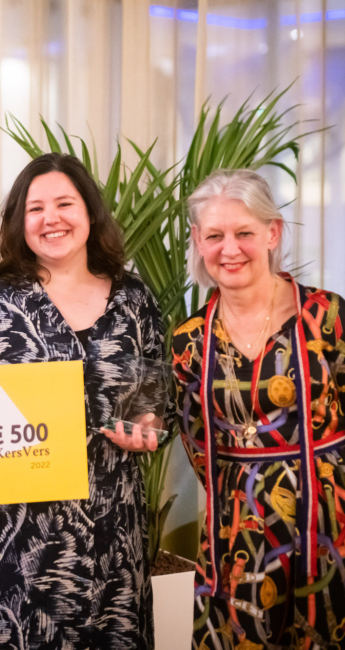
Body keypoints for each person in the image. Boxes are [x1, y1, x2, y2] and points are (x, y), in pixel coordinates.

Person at [0, 153, 164, 649]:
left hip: (111, 537)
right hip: (10, 546)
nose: (51, 219)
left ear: (90, 212)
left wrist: (146, 428)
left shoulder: (135, 301)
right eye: (35, 208)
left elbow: (152, 403)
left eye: (64, 203)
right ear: (19, 222)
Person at [172, 169, 345, 648]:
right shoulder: (189, 340)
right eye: (215, 236)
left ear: (272, 233)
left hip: (329, 526)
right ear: (198, 241)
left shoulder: (328, 317)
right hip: (238, 537)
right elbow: (196, 443)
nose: (229, 249)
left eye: (244, 233)